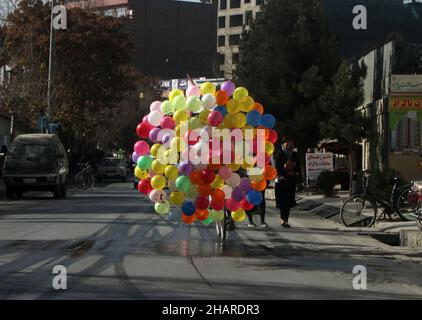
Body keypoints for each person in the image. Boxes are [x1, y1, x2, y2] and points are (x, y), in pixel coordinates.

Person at [274, 136, 300, 228]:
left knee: (288, 202)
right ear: (283, 144)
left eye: (290, 142)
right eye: (286, 143)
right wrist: (286, 172)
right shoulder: (280, 154)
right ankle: (282, 219)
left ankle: (286, 220)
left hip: (290, 182)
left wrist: (294, 172)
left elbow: (298, 167)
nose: (288, 144)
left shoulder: (294, 154)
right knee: (282, 202)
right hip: (281, 181)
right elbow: (277, 168)